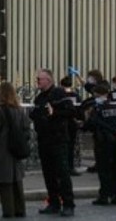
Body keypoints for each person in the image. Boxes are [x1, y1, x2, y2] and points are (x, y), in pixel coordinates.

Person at [30, 68, 75, 217]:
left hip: (58, 139)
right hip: (44, 139)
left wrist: (54, 113)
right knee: (48, 174)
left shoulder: (59, 93)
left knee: (62, 173)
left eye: (39, 79)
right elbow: (36, 114)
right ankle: (54, 202)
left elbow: (70, 111)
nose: (37, 81)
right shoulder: (39, 97)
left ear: (48, 80)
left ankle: (68, 204)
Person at [0, 81, 30, 218]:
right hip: (16, 151)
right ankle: (20, 209)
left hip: (2, 151)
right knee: (17, 182)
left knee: (5, 184)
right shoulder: (20, 110)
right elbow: (27, 131)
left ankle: (9, 211)